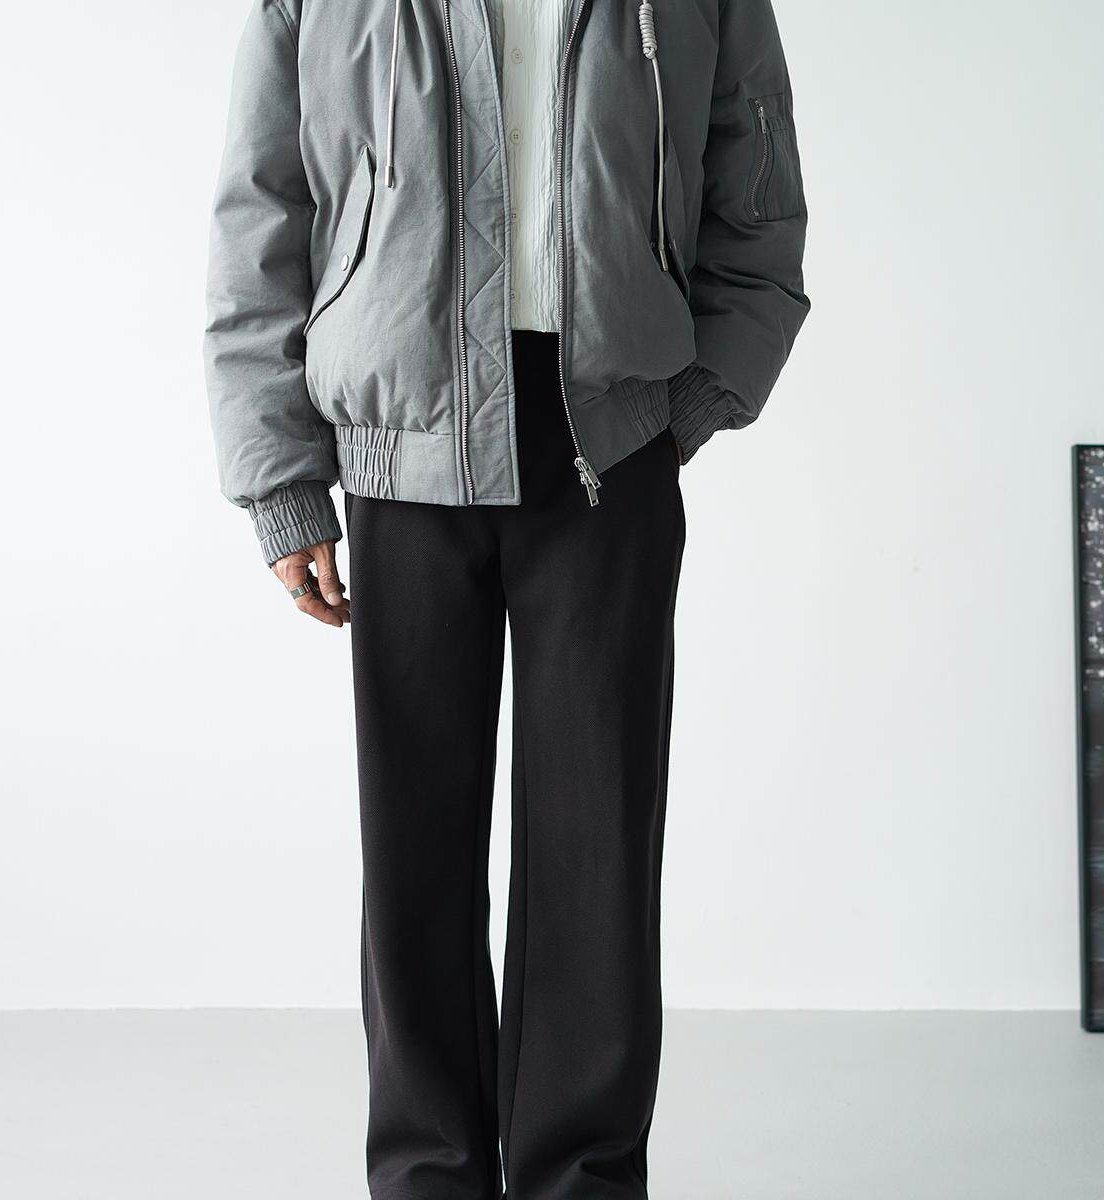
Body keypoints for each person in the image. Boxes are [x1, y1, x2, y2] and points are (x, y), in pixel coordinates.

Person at [205, 0, 808, 1195]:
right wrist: (281, 481)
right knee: (415, 846)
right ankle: (428, 1173)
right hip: (403, 444)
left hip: (609, 439)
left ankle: (580, 1176)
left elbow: (760, 192)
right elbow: (261, 209)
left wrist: (689, 404)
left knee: (597, 843)